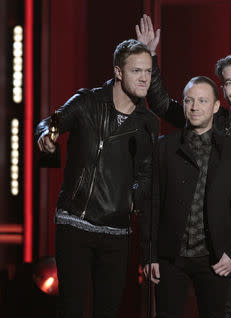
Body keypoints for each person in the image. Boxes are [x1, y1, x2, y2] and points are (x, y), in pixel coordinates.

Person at [136, 14, 231, 317]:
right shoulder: (212, 123)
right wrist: (149, 56)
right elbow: (163, 104)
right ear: (221, 94)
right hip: (220, 243)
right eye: (228, 82)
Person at [35, 39, 159, 318]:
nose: (144, 78)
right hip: (75, 222)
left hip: (116, 231)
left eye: (148, 72)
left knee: (109, 310)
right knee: (72, 308)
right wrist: (46, 136)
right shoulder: (87, 102)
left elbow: (146, 175)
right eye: (136, 70)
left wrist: (130, 200)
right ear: (118, 72)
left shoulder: (147, 122)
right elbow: (50, 122)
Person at [144, 75, 231, 318]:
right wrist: (149, 255)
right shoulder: (164, 147)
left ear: (215, 106)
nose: (194, 107)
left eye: (202, 101)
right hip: (170, 257)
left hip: (214, 258)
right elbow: (152, 203)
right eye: (189, 100)